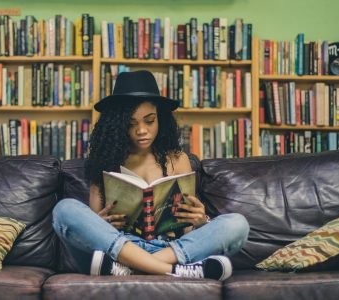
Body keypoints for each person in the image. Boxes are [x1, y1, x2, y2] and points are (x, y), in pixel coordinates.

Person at [52, 70, 249, 280]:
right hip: (119, 247)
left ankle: (136, 268)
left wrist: (201, 221)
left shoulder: (178, 160)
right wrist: (100, 223)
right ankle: (174, 271)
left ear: (160, 120)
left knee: (237, 224)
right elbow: (93, 232)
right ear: (118, 126)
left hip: (169, 248)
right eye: (131, 123)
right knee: (64, 210)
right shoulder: (103, 161)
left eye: (149, 121)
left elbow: (188, 232)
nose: (142, 130)